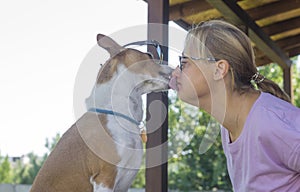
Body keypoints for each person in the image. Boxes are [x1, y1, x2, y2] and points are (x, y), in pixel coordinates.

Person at [168, 19, 300, 191]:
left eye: (184, 63)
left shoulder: (269, 122)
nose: (175, 73)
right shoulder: (230, 126)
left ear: (219, 69)